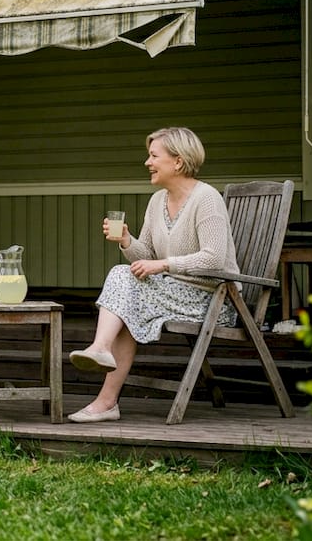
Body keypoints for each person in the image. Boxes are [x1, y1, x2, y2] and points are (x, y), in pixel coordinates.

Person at [67, 127, 239, 423]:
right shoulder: (157, 200)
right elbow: (145, 255)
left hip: (211, 299)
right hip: (171, 292)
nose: (147, 162)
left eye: (153, 155)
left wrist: (164, 265)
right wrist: (126, 241)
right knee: (124, 289)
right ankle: (105, 393)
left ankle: (102, 367)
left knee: (123, 287)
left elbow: (213, 259)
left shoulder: (206, 199)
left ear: (178, 162)